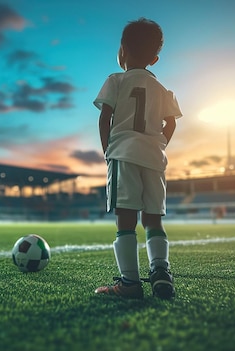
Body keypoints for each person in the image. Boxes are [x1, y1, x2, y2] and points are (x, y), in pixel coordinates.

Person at [93, 18, 182, 299]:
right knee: (153, 220)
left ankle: (129, 283)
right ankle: (160, 270)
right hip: (154, 159)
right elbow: (172, 124)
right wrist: (158, 145)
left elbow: (105, 116)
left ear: (122, 50)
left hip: (124, 154)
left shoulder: (115, 81)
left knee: (126, 220)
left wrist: (109, 149)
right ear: (154, 59)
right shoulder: (163, 91)